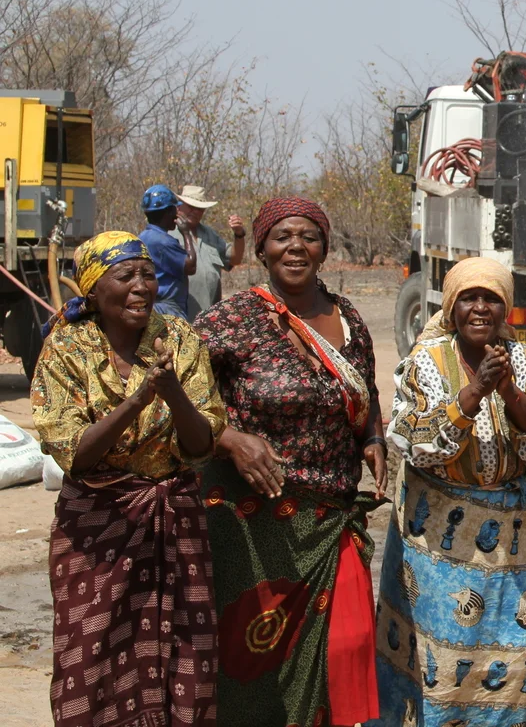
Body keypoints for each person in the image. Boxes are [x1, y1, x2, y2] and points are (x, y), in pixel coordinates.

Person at [195, 197, 387, 727]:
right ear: (261, 248)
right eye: (282, 237)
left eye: (308, 236)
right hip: (251, 523)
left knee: (343, 648)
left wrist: (371, 437)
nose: (296, 247)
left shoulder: (348, 318)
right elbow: (179, 394)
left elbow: (364, 392)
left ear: (325, 247)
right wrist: (230, 438)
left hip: (330, 521)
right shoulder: (234, 318)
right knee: (251, 655)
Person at [31, 231, 227, 727]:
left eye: (147, 274)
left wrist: (172, 394)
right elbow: (74, 454)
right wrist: (135, 402)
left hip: (174, 520)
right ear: (94, 290)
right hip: (96, 528)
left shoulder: (179, 340)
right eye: (127, 276)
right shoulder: (66, 347)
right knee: (89, 656)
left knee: (187, 659)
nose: (143, 285)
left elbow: (202, 444)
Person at [375, 256, 526, 727]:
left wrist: (508, 392)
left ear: (506, 309)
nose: (480, 308)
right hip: (438, 543)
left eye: (492, 299)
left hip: (512, 543)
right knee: (442, 661)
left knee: (515, 651)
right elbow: (414, 444)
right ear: (451, 307)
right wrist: (473, 393)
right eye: (469, 298)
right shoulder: (424, 363)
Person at [171, 184, 246, 319]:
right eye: (191, 207)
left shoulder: (210, 235)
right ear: (179, 206)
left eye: (199, 209)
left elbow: (235, 259)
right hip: (177, 317)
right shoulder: (168, 234)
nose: (195, 211)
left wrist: (239, 234)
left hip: (208, 317)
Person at [139, 183, 195, 318]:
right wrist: (186, 233)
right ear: (169, 212)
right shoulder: (162, 241)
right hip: (167, 309)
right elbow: (190, 266)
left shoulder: (143, 237)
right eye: (174, 210)